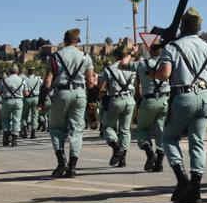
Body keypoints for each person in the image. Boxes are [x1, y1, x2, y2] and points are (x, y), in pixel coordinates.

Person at [154, 8, 207, 203]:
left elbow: (164, 74)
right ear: (199, 28)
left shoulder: (172, 47)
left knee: (169, 137)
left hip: (183, 96)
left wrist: (154, 74)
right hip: (205, 97)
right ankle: (196, 190)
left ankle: (182, 180)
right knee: (197, 142)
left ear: (182, 27)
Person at [43, 28, 96, 177]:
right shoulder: (86, 57)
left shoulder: (55, 57)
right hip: (80, 94)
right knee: (77, 130)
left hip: (61, 93)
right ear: (77, 41)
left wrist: (42, 101)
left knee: (56, 128)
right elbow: (91, 82)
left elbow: (47, 81)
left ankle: (62, 161)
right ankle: (72, 167)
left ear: (64, 40)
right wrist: (93, 101)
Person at [120, 41, 171, 172]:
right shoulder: (168, 64)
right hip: (166, 100)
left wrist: (132, 52)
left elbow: (122, 65)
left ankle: (149, 152)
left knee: (142, 129)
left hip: (149, 101)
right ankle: (159, 163)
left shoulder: (142, 64)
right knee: (161, 131)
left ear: (150, 51)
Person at [98, 48, 137, 167]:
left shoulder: (109, 69)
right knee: (125, 130)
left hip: (115, 100)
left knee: (108, 127)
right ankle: (122, 159)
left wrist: (101, 98)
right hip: (130, 100)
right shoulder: (131, 67)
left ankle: (116, 146)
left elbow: (101, 88)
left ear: (115, 56)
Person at [0, 65, 26, 147]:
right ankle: (14, 140)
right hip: (18, 101)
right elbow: (26, 93)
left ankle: (6, 138)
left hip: (7, 101)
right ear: (17, 71)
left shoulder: (4, 80)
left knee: (5, 119)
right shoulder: (22, 80)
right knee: (16, 120)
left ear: (9, 71)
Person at [21, 67, 43, 139]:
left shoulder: (24, 80)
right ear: (34, 72)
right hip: (36, 98)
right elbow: (44, 87)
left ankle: (24, 129)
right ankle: (33, 132)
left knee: (24, 115)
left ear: (28, 72)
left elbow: (23, 89)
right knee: (35, 116)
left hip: (26, 98)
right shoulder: (39, 79)